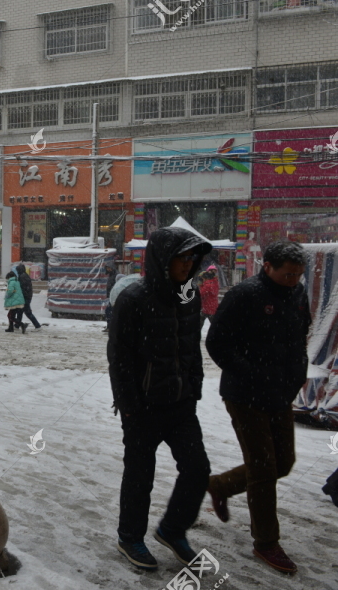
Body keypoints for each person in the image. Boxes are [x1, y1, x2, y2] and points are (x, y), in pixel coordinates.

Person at [107, 226, 213, 572]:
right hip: (143, 408)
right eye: (182, 258)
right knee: (140, 475)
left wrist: (193, 387)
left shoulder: (189, 296)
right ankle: (130, 537)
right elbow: (119, 360)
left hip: (181, 405)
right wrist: (130, 407)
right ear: (162, 259)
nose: (188, 265)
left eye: (191, 258)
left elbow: (191, 349)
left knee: (197, 469)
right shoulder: (134, 299)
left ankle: (172, 529)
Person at [205, 240, 311, 575]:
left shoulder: (297, 294)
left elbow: (299, 336)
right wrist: (249, 373)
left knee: (283, 462)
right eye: (287, 274)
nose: (293, 279)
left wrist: (296, 375)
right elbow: (216, 342)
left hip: (281, 392)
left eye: (298, 274)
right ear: (267, 267)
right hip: (245, 395)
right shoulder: (245, 295)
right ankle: (266, 541)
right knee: (264, 466)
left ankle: (221, 485)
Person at [16, 264, 42, 331]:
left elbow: (22, 288)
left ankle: (37, 326)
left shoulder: (22, 276)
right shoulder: (25, 275)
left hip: (24, 297)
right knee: (20, 311)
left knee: (27, 312)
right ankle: (17, 325)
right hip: (27, 296)